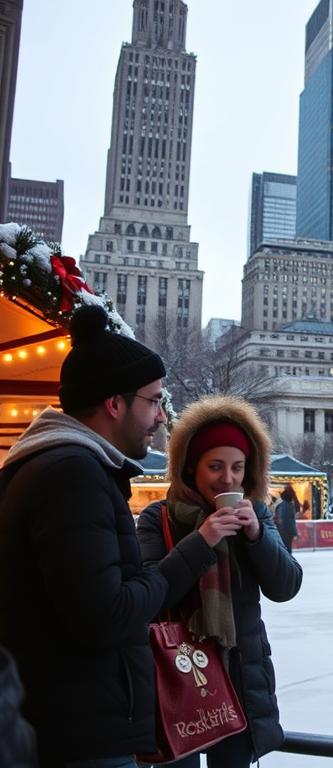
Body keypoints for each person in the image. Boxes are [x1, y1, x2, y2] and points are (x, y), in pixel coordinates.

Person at [0, 304, 170, 766]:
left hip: (70, 720)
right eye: (154, 400)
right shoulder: (73, 475)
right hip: (83, 734)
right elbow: (105, 615)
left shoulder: (62, 467)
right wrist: (167, 572)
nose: (161, 416)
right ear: (115, 403)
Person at [137, 395, 303, 766]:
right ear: (191, 467)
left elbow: (286, 585)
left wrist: (257, 536)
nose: (228, 479)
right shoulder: (157, 517)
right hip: (180, 680)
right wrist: (202, 541)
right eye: (215, 466)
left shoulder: (257, 513)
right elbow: (150, 594)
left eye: (238, 468)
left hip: (242, 680)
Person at [275, 484, 300, 553]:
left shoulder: (282, 506)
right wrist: (294, 532)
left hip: (282, 531)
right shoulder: (290, 506)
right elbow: (291, 520)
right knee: (287, 549)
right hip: (287, 531)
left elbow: (283, 519)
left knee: (284, 549)